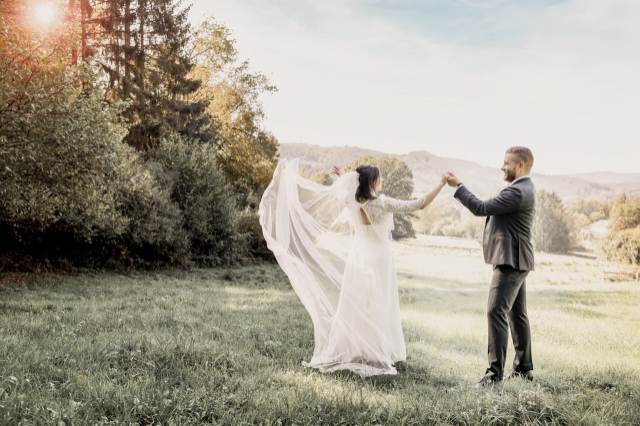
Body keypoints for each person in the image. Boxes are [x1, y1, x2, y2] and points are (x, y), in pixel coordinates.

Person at [259, 158, 448, 376]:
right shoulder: (383, 203)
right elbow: (419, 204)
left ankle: (357, 347)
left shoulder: (352, 201)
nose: (382, 180)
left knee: (358, 302)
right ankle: (377, 350)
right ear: (372, 182)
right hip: (380, 258)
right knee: (379, 302)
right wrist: (441, 184)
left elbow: (349, 192)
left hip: (359, 256)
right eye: (378, 177)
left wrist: (343, 177)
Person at [446, 146, 536, 387]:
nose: (502, 167)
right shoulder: (524, 188)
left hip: (511, 261)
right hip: (518, 259)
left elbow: (480, 208)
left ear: (520, 166)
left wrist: (458, 185)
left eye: (506, 163)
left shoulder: (518, 192)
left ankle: (493, 375)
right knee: (517, 315)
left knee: (495, 311)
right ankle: (523, 369)